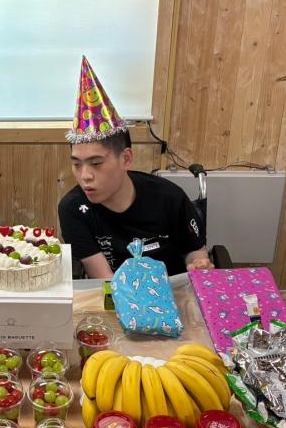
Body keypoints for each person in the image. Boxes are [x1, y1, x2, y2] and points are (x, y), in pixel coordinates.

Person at [58, 56, 212, 279]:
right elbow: (104, 278)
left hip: (172, 290)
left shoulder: (169, 197)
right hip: (116, 293)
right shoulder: (73, 209)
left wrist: (198, 265)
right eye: (76, 164)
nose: (85, 176)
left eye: (96, 163)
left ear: (126, 159)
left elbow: (195, 251)